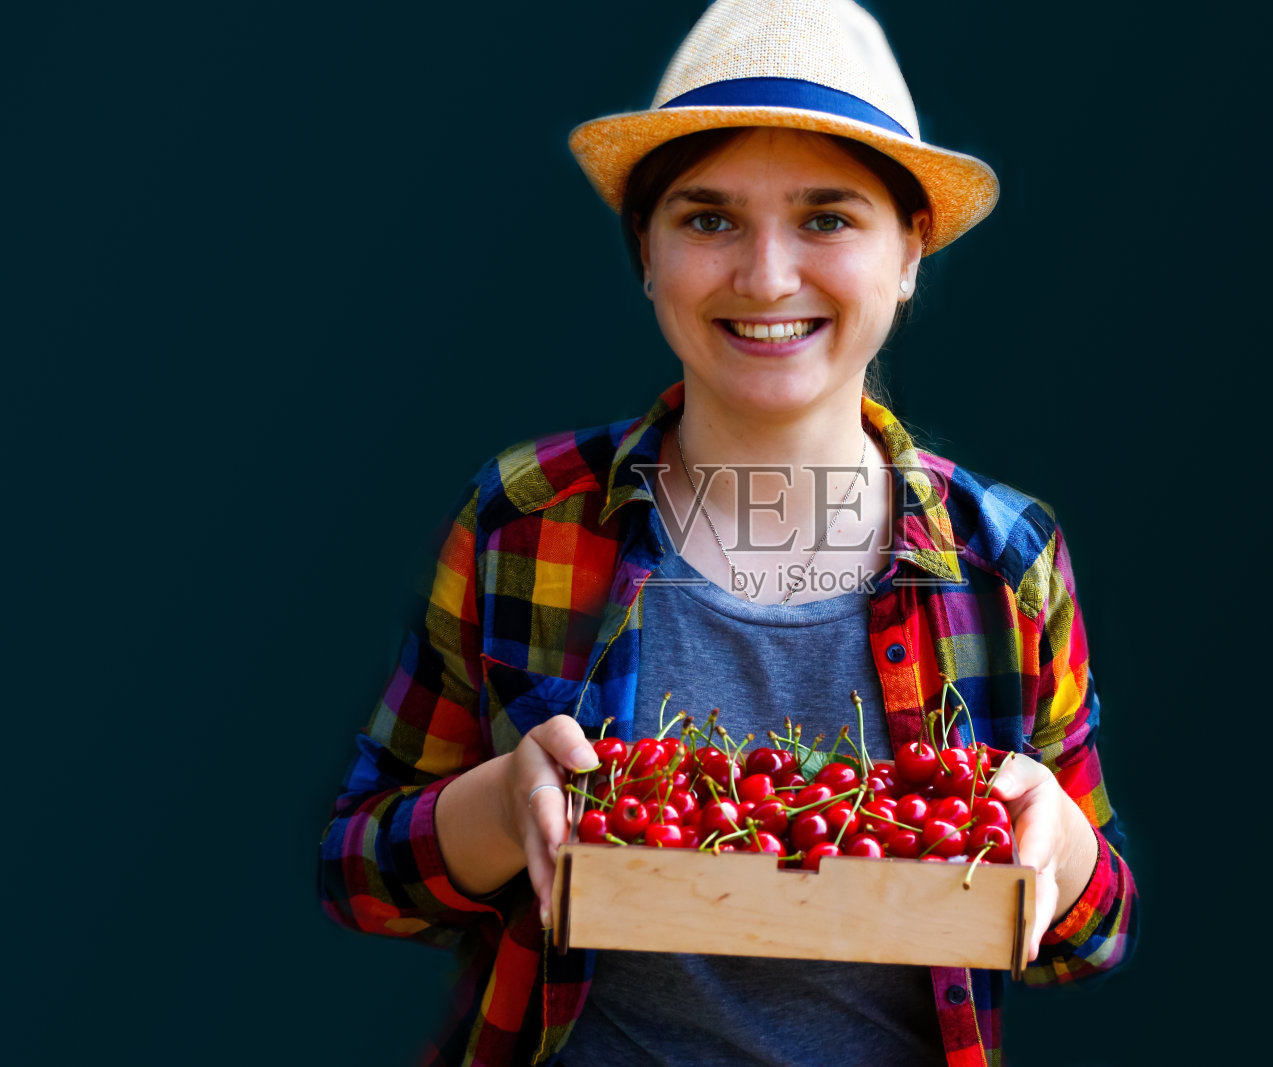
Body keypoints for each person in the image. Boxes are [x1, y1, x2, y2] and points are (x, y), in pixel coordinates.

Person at [316, 2, 1139, 1064]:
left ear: (910, 253)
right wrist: (501, 807)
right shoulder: (525, 517)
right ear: (646, 254)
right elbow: (360, 873)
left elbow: (1092, 931)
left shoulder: (1005, 557)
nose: (765, 277)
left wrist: (1059, 845)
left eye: (827, 219)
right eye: (707, 220)